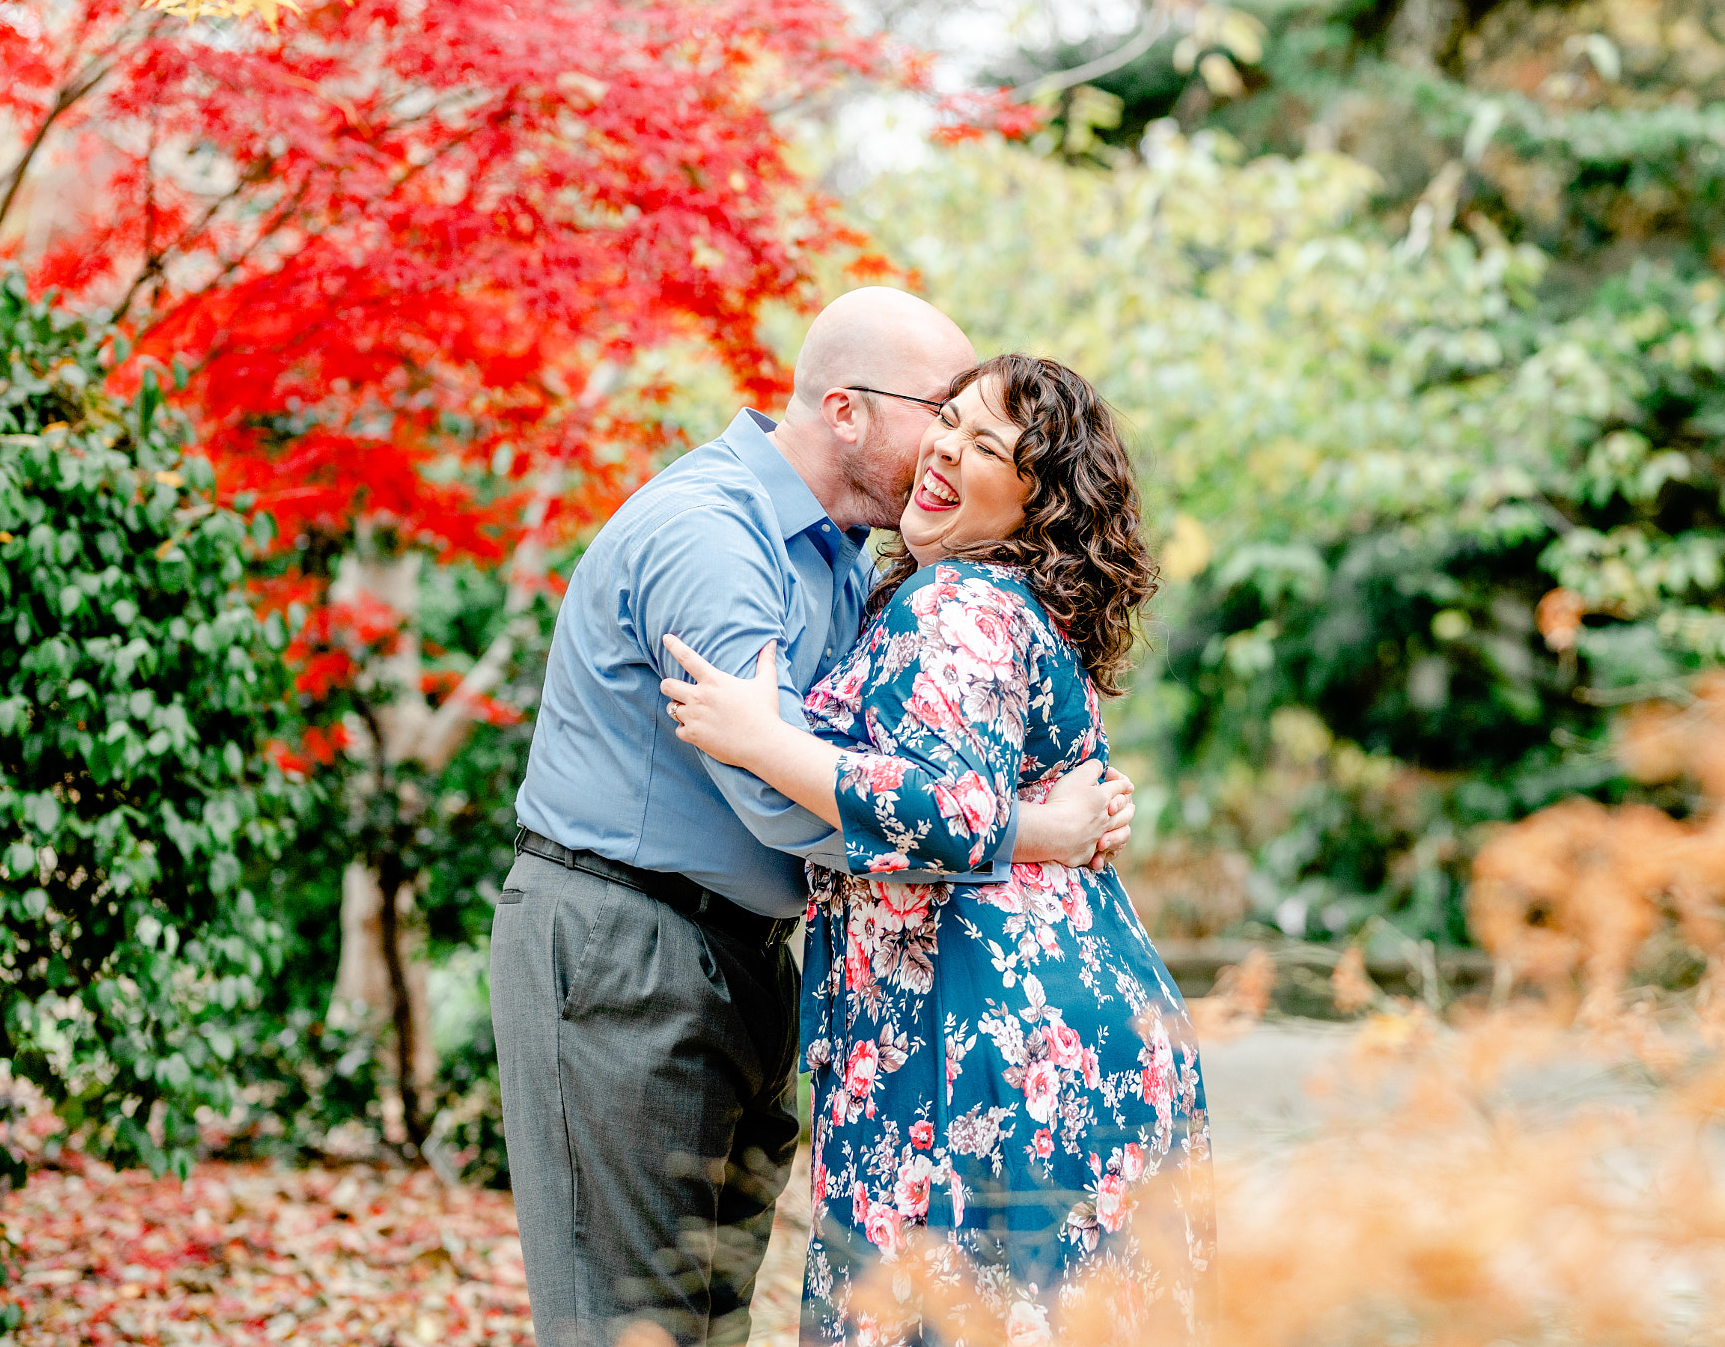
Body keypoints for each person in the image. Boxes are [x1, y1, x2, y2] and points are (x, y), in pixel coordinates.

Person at [490, 291, 1137, 1347]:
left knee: (704, 1319)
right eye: (940, 409)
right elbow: (776, 798)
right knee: (626, 1321)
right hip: (626, 949)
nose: (946, 442)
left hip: (744, 956)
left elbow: (904, 755)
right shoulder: (712, 537)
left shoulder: (855, 562)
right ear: (845, 411)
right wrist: (1028, 835)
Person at [659, 354, 1214, 1346]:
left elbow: (941, 814)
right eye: (947, 421)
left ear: (1037, 502)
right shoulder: (1016, 607)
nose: (947, 449)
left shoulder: (955, 602)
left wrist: (760, 742)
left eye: (987, 446)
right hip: (1051, 1025)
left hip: (978, 1040)